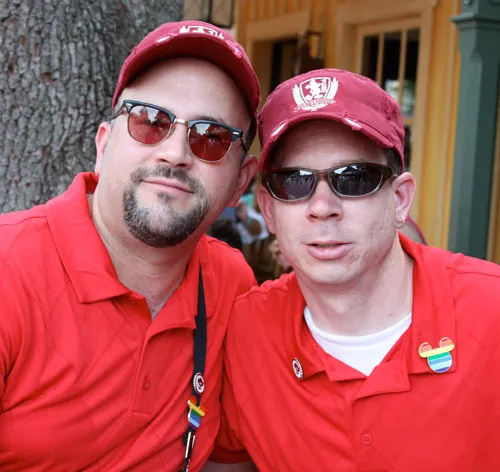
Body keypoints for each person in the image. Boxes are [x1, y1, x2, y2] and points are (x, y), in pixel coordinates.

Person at [0, 20, 261, 471]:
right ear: (103, 145)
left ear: (241, 181)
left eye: (211, 137)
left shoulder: (232, 286)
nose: (175, 153)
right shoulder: (9, 266)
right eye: (150, 121)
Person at [210, 69, 500, 470]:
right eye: (294, 182)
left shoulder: (490, 311)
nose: (322, 206)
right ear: (269, 210)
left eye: (353, 178)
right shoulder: (246, 330)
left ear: (400, 200)